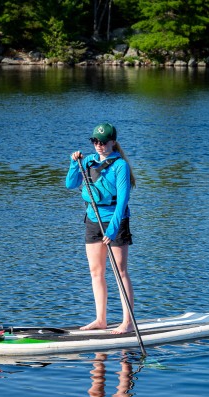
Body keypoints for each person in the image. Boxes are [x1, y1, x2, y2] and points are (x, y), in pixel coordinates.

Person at [65, 122, 136, 333]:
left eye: (104, 142)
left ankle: (128, 322)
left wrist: (113, 229)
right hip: (92, 220)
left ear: (113, 142)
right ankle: (100, 320)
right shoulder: (87, 161)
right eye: (95, 141)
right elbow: (70, 184)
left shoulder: (120, 166)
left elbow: (123, 200)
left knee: (120, 272)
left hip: (116, 221)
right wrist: (72, 163)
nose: (99, 145)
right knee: (96, 272)